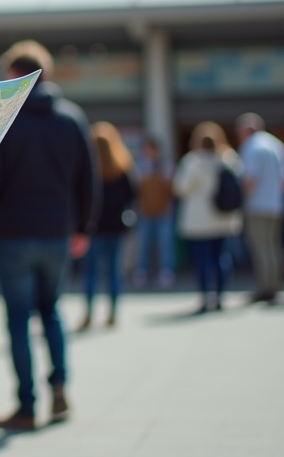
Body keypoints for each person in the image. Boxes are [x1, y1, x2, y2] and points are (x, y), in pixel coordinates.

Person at [0, 39, 98, 432]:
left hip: (13, 235)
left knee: (19, 320)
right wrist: (83, 229)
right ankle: (60, 389)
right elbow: (88, 179)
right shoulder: (72, 118)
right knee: (52, 310)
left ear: (14, 75)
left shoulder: (7, 119)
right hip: (58, 233)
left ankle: (26, 406)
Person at [174, 122, 243, 313]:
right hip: (223, 219)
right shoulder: (229, 159)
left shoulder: (192, 162)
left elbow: (180, 188)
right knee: (221, 258)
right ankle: (220, 296)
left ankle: (205, 297)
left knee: (203, 260)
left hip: (199, 221)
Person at [79, 122, 136, 330]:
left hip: (92, 227)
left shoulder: (88, 170)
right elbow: (132, 196)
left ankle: (88, 314)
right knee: (113, 271)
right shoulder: (122, 167)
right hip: (115, 228)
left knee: (90, 272)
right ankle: (112, 313)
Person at [235, 113, 284, 304]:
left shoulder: (251, 147)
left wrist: (243, 201)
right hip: (276, 204)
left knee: (261, 247)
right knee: (273, 245)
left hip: (257, 205)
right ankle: (275, 284)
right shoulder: (276, 144)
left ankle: (265, 287)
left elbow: (250, 179)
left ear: (246, 131)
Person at [132, 137, 176, 289]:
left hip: (163, 212)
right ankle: (142, 273)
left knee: (165, 244)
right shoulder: (138, 166)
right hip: (144, 212)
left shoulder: (165, 166)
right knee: (143, 245)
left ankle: (166, 272)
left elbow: (172, 189)